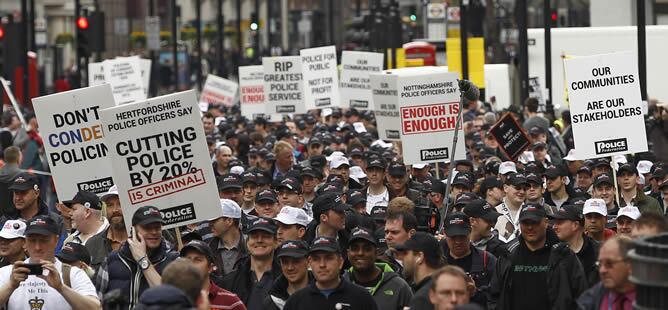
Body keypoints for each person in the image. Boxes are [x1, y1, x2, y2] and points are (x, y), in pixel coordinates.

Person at [489, 204, 587, 310]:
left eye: (534, 222)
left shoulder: (564, 255)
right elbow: (494, 295)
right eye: (525, 223)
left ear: (545, 223)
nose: (530, 227)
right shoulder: (508, 254)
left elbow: (581, 296)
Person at [0, 215, 100, 309]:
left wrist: (61, 288)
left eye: (44, 240)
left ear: (56, 240)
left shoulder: (72, 273)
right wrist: (11, 285)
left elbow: (96, 307)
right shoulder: (6, 273)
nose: (37, 247)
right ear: (25, 242)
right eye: (32, 240)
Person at [94, 206, 179, 310]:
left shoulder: (174, 260)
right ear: (133, 230)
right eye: (147, 227)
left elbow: (172, 301)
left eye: (157, 227)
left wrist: (143, 260)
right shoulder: (112, 260)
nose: (154, 232)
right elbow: (96, 303)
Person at [283, 236, 379, 310]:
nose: (322, 265)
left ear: (340, 262)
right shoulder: (296, 301)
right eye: (316, 259)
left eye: (328, 258)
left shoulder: (361, 297)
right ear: (309, 263)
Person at [343, 227, 413, 310]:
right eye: (355, 248)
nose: (360, 253)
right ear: (348, 253)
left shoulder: (399, 287)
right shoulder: (339, 284)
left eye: (367, 249)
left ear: (376, 253)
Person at [222, 217, 282, 310]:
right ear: (247, 242)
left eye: (265, 236)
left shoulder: (286, 279)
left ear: (276, 242)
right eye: (254, 236)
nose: (259, 240)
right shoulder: (230, 281)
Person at [440, 213, 496, 307]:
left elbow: (497, 298)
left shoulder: (487, 260)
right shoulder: (436, 261)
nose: (458, 242)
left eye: (462, 236)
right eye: (453, 237)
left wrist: (475, 292)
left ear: (470, 232)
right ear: (445, 234)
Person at [179, 240, 246, 310]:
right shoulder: (174, 301)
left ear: (210, 268)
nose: (191, 264)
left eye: (197, 259)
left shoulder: (231, 303)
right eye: (187, 260)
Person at [5, 173, 65, 245]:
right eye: (16, 193)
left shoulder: (55, 221)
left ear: (36, 193)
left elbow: (60, 250)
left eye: (23, 193)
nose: (18, 198)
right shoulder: (5, 220)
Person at [576, 236, 635, 310]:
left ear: (630, 265)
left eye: (609, 264)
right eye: (599, 264)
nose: (602, 270)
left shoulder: (650, 300)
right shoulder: (591, 298)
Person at [550, 204, 600, 287]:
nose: (554, 227)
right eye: (554, 223)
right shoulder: (552, 250)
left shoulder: (598, 251)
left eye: (559, 223)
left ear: (575, 225)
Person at [395, 232, 447, 310]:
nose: (402, 258)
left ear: (419, 256)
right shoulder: (444, 287)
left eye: (406, 253)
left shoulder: (424, 297)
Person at [85, 185, 128, 271]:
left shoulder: (143, 240)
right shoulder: (93, 244)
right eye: (110, 205)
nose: (115, 210)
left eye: (120, 203)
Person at [263, 240, 311, 310]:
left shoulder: (324, 294)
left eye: (296, 261)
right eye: (285, 262)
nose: (290, 267)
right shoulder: (271, 302)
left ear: (309, 261)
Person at [208, 199, 247, 276]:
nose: (209, 224)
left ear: (229, 221)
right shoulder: (209, 250)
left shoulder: (251, 247)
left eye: (214, 220)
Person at [494, 173, 528, 242]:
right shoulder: (494, 212)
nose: (522, 192)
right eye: (517, 188)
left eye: (524, 189)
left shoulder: (531, 212)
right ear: (506, 188)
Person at [382, 210, 418, 274]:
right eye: (386, 232)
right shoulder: (380, 264)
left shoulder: (427, 262)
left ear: (411, 234)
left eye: (394, 232)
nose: (388, 237)